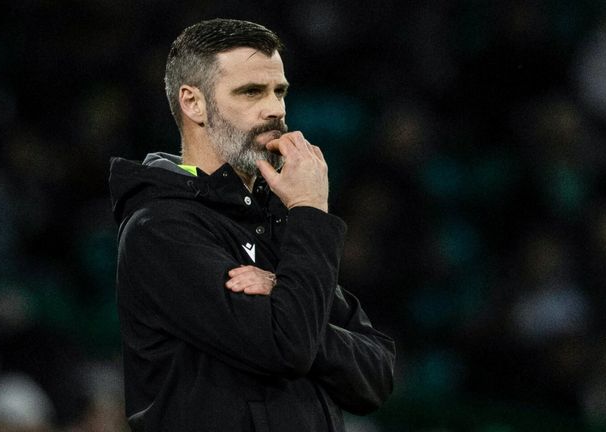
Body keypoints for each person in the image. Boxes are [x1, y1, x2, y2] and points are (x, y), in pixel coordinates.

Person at [109, 18, 395, 432]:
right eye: (251, 92)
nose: (275, 109)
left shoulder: (276, 221)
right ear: (193, 103)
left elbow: (377, 375)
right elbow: (288, 346)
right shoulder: (159, 228)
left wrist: (283, 291)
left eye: (280, 92)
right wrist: (311, 210)